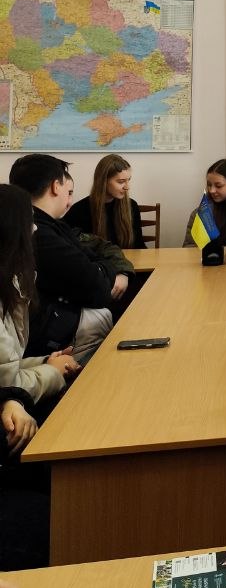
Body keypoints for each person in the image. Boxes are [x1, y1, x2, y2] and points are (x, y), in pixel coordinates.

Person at [8, 155, 132, 360]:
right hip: (51, 337)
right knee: (107, 317)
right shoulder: (38, 233)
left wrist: (106, 268)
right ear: (56, 186)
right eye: (69, 191)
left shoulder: (48, 224)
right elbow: (98, 289)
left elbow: (99, 252)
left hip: (52, 323)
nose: (70, 200)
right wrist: (106, 269)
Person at [0, 184, 79, 407]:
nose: (34, 228)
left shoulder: (11, 280)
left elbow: (6, 368)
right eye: (29, 220)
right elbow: (8, 386)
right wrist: (53, 371)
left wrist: (46, 362)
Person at [65, 154, 147, 249]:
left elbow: (139, 245)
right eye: (121, 182)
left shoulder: (132, 206)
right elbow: (69, 248)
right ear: (103, 181)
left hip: (128, 258)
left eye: (128, 180)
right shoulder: (79, 210)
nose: (127, 187)